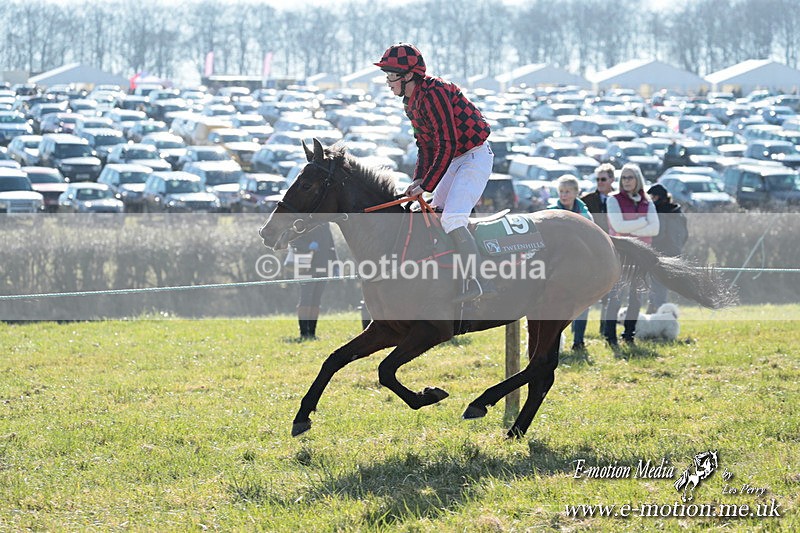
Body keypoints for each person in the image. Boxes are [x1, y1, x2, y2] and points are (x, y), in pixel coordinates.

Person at [374, 43, 495, 303]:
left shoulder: (436, 91)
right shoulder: (410, 102)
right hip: (454, 160)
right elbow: (425, 145)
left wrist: (426, 185)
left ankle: (479, 281)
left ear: (408, 75)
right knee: (429, 215)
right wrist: (419, 179)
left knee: (452, 219)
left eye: (391, 75)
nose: (387, 81)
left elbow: (447, 142)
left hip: (474, 157)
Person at [604, 163, 660, 346]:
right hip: (620, 254)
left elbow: (655, 229)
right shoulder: (613, 200)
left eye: (630, 177)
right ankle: (610, 336)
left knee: (636, 297)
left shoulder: (647, 201)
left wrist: (633, 226)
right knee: (616, 297)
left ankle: (629, 334)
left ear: (638, 179)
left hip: (641, 254)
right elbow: (618, 227)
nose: (626, 181)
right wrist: (643, 221)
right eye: (624, 178)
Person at [548, 175, 593, 350]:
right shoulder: (551, 212)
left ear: (576, 193)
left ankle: (579, 341)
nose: (564, 195)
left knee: (582, 303)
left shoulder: (585, 214)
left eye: (567, 191)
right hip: (557, 266)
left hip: (579, 265)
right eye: (561, 191)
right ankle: (553, 341)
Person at [582, 163, 616, 336]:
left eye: (603, 179)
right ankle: (579, 332)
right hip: (593, 249)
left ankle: (605, 329)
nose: (600, 183)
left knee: (610, 293)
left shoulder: (618, 199)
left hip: (614, 248)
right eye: (598, 179)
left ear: (612, 180)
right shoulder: (587, 200)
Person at [290, 223, 338, 340]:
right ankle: (303, 333)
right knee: (305, 299)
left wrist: (335, 264)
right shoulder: (302, 220)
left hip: (323, 265)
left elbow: (331, 245)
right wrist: (308, 246)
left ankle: (311, 333)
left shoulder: (325, 224)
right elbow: (293, 241)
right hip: (306, 266)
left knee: (316, 300)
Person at [646, 183, 688, 313]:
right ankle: (652, 313)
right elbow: (685, 235)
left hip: (660, 253)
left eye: (651, 197)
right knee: (660, 286)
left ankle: (659, 316)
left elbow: (659, 233)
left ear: (657, 197)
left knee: (658, 287)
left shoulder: (660, 213)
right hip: (676, 253)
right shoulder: (679, 213)